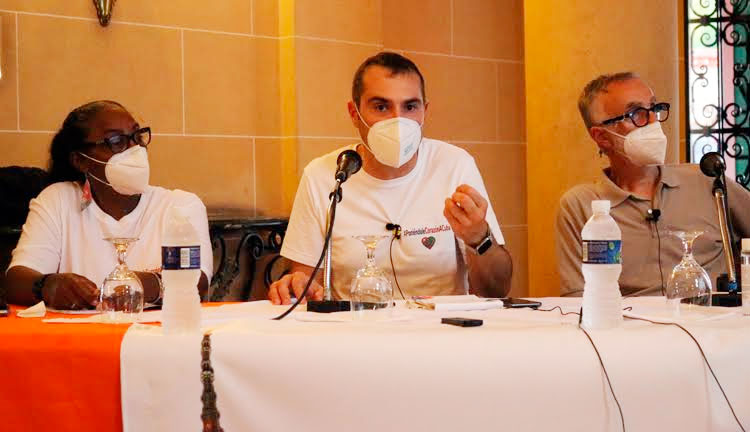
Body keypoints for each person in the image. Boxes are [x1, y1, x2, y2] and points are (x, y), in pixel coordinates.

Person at [269, 52, 513, 305]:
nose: (397, 121)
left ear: (424, 112)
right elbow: (307, 286)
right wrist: (295, 285)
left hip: (441, 332)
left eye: (410, 107)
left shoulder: (454, 165)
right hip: (357, 332)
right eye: (381, 107)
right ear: (354, 113)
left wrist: (479, 238)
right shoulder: (324, 176)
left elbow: (497, 290)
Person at [556, 72, 750, 297]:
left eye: (654, 109)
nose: (652, 121)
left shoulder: (706, 180)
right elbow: (576, 297)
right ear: (601, 137)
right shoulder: (581, 205)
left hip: (712, 323)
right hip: (628, 327)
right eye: (636, 113)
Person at [5, 100, 213, 310]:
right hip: (78, 339)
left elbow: (197, 281)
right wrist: (48, 285)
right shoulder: (57, 201)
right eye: (116, 141)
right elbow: (16, 281)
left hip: (154, 338)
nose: (134, 150)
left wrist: (136, 285)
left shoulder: (180, 206)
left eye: (136, 137)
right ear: (80, 160)